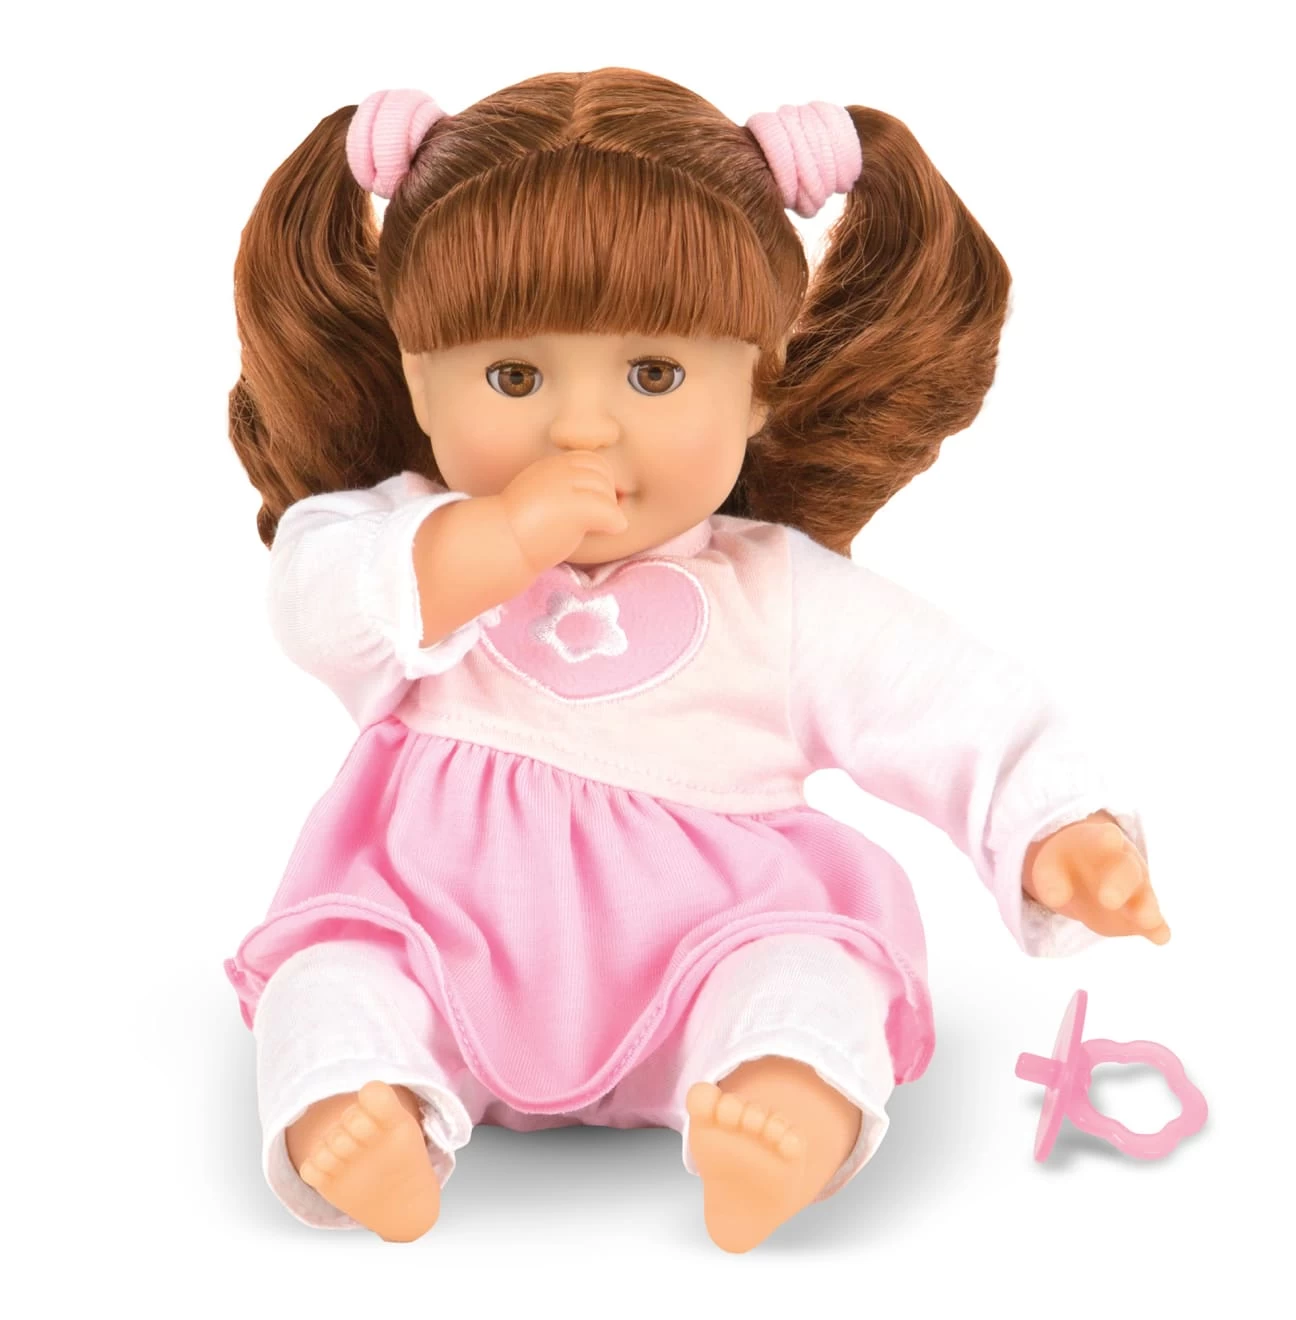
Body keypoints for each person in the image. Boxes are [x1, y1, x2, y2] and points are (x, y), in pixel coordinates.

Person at [223, 68, 1170, 1252]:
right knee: (329, 982)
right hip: (431, 936)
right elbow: (315, 607)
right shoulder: (395, 544)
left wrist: (1056, 829)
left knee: (811, 974)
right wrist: (494, 541)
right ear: (420, 378)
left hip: (709, 945)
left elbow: (946, 701)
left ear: (760, 386)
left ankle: (780, 1109)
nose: (582, 426)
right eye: (514, 377)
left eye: (654, 375)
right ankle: (363, 1114)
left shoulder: (776, 594)